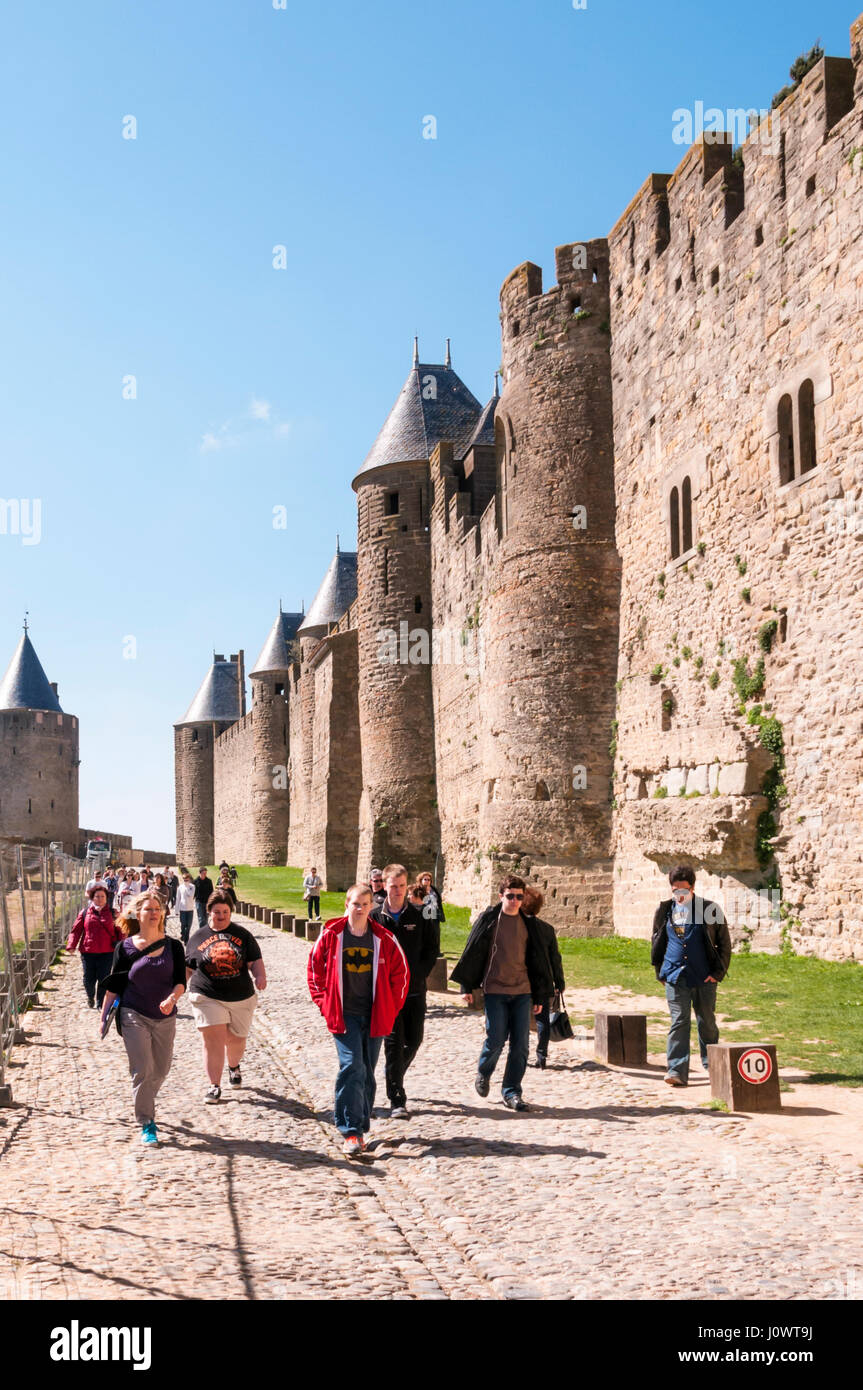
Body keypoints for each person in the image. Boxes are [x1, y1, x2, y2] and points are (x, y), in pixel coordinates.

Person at [307, 883, 408, 1157]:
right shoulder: (332, 935)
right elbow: (315, 969)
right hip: (344, 1014)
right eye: (355, 903)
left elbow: (401, 974)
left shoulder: (384, 939)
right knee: (352, 1065)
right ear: (347, 905)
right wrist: (324, 1003)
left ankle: (361, 1126)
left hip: (374, 1015)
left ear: (371, 906)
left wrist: (391, 1007)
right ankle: (351, 1130)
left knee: (367, 1071)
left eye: (365, 903)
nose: (361, 908)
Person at [450, 875, 553, 1111]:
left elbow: (539, 962)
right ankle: (484, 1073)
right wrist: (466, 986)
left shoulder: (529, 924)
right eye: (510, 896)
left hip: (522, 992)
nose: (515, 901)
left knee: (521, 1045)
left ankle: (512, 1092)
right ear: (501, 896)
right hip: (495, 990)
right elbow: (472, 951)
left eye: (519, 896)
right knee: (496, 1038)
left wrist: (540, 996)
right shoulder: (489, 920)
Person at [101, 892, 186, 1146]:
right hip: (133, 1012)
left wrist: (172, 999)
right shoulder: (124, 948)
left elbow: (181, 981)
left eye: (157, 909)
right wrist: (104, 1015)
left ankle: (145, 1096)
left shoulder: (174, 946)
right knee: (143, 1068)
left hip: (165, 1016)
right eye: (148, 909)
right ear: (137, 914)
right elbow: (114, 986)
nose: (153, 913)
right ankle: (147, 1122)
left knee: (161, 1069)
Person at [651, 864, 731, 1087]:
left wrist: (718, 973)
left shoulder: (709, 909)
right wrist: (660, 971)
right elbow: (657, 940)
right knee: (679, 1021)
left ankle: (713, 1065)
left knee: (707, 1021)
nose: (679, 895)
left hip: (704, 976)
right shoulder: (665, 910)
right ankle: (676, 1069)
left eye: (683, 890)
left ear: (693, 888)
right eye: (675, 890)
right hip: (675, 976)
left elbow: (724, 943)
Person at [185, 889, 267, 1103]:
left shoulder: (242, 935)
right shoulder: (197, 938)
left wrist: (259, 976)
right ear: (208, 911)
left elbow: (255, 961)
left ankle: (234, 1066)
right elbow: (188, 968)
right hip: (206, 995)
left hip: (240, 996)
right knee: (213, 1040)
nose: (221, 916)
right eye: (217, 911)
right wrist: (174, 991)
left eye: (225, 911)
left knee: (236, 1041)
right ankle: (214, 1085)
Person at [377, 863, 439, 1118]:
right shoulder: (375, 917)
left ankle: (394, 1072)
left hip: (414, 990)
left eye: (402, 886)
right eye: (393, 886)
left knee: (414, 1039)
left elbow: (431, 949)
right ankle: (397, 1098)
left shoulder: (420, 914)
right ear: (384, 885)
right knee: (393, 1043)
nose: (398, 891)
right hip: (388, 994)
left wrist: (419, 975)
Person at [521, 886, 566, 1070]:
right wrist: (559, 981)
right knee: (542, 1019)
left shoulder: (517, 927)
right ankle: (542, 1055)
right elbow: (555, 958)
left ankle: (521, 1054)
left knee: (521, 1019)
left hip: (522, 979)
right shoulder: (547, 929)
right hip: (543, 979)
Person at [67, 884, 122, 1009]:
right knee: (88, 978)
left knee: (104, 977)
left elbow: (121, 930)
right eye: (97, 896)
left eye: (103, 896)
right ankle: (90, 995)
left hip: (107, 951)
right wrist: (71, 945)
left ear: (106, 898)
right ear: (92, 898)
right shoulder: (85, 912)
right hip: (88, 951)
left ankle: (100, 1001)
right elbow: (76, 930)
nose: (100, 899)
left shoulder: (113, 913)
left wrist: (122, 945)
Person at [175, 870, 196, 944]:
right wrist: (176, 910)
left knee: (188, 925)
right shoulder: (180, 887)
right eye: (184, 880)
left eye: (187, 879)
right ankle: (183, 934)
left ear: (189, 879)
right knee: (183, 924)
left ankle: (186, 940)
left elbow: (191, 895)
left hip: (190, 909)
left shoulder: (192, 887)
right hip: (182, 909)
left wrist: (187, 887)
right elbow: (178, 899)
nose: (185, 881)